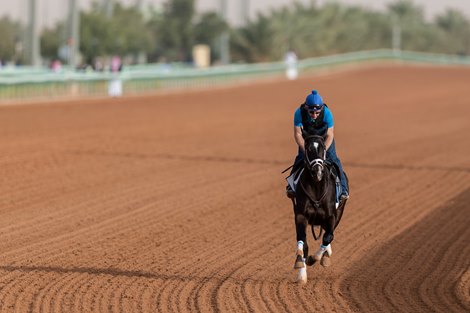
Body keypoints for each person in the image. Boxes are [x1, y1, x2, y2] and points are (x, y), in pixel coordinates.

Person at [286, 89, 349, 200]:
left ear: (321, 109)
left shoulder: (327, 113)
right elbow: (298, 134)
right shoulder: (299, 113)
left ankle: (343, 189)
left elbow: (330, 135)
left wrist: (323, 150)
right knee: (300, 158)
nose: (314, 115)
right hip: (307, 140)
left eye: (317, 112)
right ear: (306, 108)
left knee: (333, 159)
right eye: (311, 112)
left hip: (324, 139)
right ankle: (291, 186)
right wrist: (305, 149)